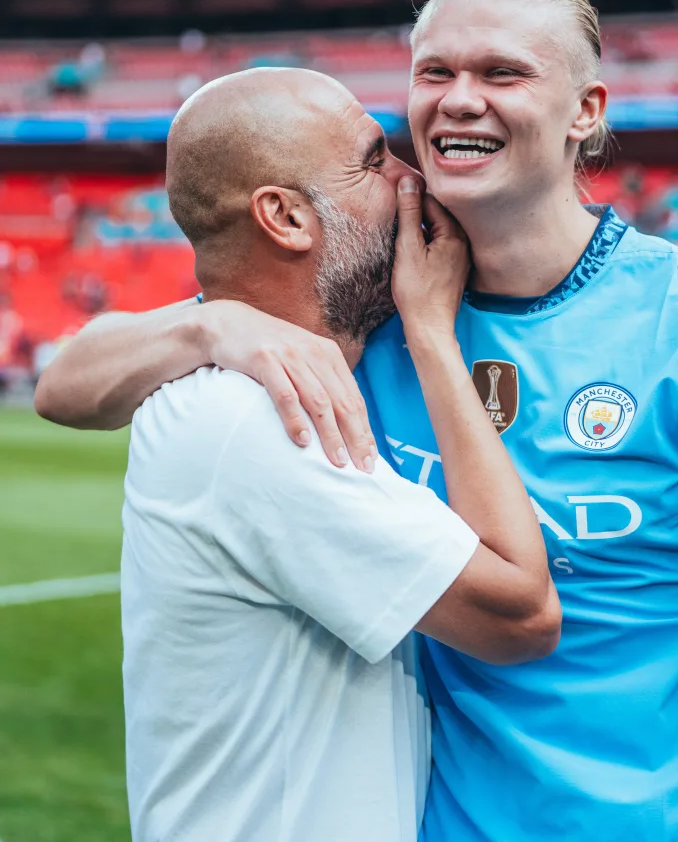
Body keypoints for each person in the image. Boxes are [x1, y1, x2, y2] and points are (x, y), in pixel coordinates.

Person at [36, 0, 678, 842]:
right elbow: (67, 381)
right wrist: (208, 328)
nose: (459, 99)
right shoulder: (360, 303)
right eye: (435, 73)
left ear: (586, 110)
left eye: (501, 73)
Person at [100, 67, 561, 841]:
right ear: (284, 217)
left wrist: (206, 327)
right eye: (375, 160)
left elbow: (65, 381)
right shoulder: (253, 424)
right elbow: (520, 616)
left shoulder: (226, 380)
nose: (413, 180)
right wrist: (433, 337)